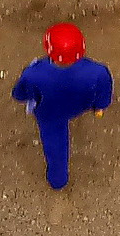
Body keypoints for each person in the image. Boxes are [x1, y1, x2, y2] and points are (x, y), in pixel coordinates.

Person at [10, 22, 113, 190]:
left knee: (55, 146)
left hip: (49, 113)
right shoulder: (99, 71)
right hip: (80, 105)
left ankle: (58, 181)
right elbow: (104, 92)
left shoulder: (33, 73)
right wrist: (99, 107)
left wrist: (22, 96)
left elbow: (21, 94)